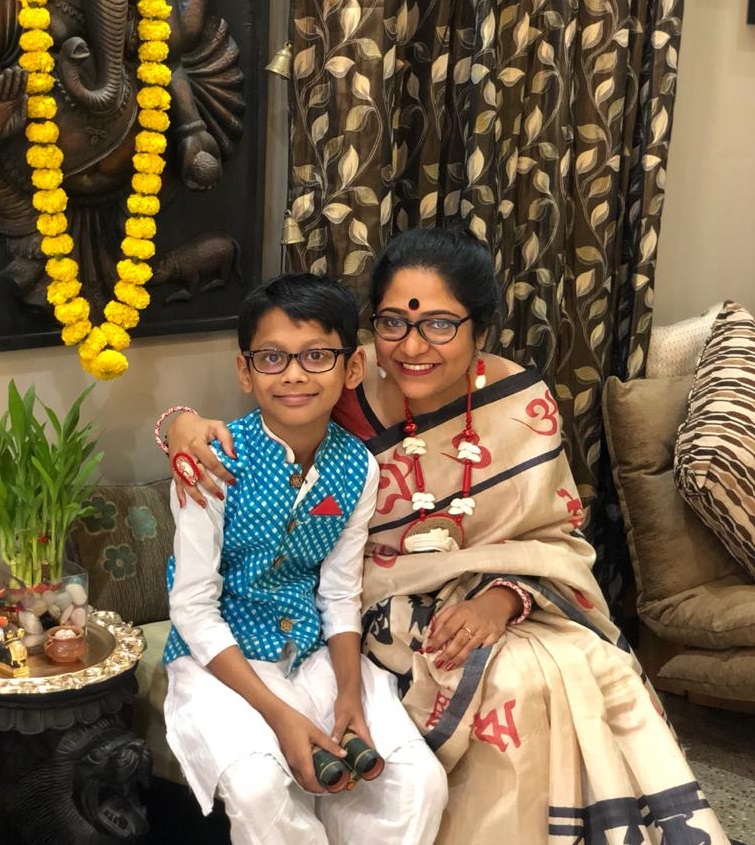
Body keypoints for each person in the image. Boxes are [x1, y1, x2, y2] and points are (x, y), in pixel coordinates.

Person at [159, 230, 730, 845]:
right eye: (393, 323)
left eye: (438, 324)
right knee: (509, 679)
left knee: (593, 665)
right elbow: (259, 411)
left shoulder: (519, 400)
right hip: (382, 600)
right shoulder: (345, 387)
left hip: (512, 592)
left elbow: (552, 534)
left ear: (479, 330)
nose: (411, 347)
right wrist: (177, 423)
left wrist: (502, 600)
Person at [161, 272, 447, 845]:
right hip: (219, 658)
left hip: (315, 653)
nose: (294, 373)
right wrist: (281, 715)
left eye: (317, 355)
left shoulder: (358, 467)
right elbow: (192, 608)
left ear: (352, 368)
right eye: (272, 358)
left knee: (417, 783)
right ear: (245, 372)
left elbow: (338, 592)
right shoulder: (213, 462)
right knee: (257, 785)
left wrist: (349, 693)